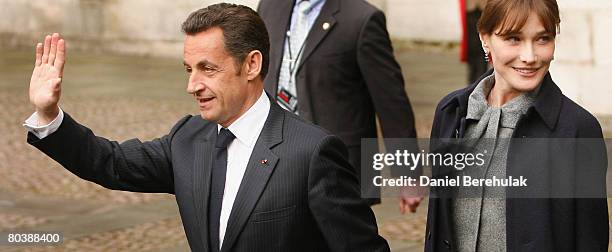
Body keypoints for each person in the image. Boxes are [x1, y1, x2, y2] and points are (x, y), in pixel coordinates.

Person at [24, 3, 390, 252]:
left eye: (207, 69)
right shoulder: (188, 138)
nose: (192, 85)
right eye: (189, 70)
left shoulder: (311, 153)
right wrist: (49, 115)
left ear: (251, 65)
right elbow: (110, 162)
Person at [425, 0, 608, 251]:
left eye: (543, 39)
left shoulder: (578, 130)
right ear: (485, 39)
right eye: (513, 38)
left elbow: (589, 240)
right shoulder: (450, 113)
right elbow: (437, 226)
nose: (529, 56)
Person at [257, 0, 420, 207]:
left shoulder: (362, 18)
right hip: (274, 158)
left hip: (337, 167)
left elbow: (391, 101)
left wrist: (407, 174)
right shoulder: (270, 6)